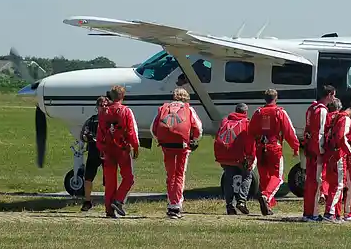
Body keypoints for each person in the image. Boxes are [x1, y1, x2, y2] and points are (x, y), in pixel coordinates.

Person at [150, 87, 203, 218]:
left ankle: (170, 202)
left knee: (170, 175)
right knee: (179, 175)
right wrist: (193, 140)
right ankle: (176, 205)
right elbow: (198, 128)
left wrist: (160, 141)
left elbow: (153, 129)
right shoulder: (188, 109)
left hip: (166, 146)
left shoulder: (164, 108)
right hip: (182, 147)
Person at [248, 88, 300, 216]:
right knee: (277, 177)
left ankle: (268, 205)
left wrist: (251, 149)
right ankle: (266, 197)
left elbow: (250, 131)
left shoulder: (258, 112)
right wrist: (295, 146)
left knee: (265, 177)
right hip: (274, 146)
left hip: (261, 147)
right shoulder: (279, 112)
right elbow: (289, 131)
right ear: (276, 98)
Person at [96, 85, 139, 218]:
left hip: (108, 149)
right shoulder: (125, 111)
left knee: (110, 181)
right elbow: (131, 131)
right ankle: (118, 200)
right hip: (122, 149)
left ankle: (109, 209)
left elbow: (100, 131)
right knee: (128, 178)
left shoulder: (103, 112)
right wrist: (135, 146)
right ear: (122, 96)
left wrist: (100, 148)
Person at [302, 85, 336, 221]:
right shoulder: (322, 110)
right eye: (333, 95)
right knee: (316, 182)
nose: (334, 98)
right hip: (316, 151)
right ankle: (313, 213)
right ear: (328, 95)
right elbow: (320, 132)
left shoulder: (312, 108)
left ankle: (307, 212)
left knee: (310, 181)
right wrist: (321, 152)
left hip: (310, 148)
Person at [214, 103, 256, 215]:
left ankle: (229, 205)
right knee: (247, 175)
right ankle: (241, 201)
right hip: (239, 156)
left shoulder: (225, 122)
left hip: (225, 155)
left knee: (228, 179)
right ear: (245, 112)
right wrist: (250, 157)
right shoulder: (247, 123)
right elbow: (250, 142)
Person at [322, 98, 351, 223]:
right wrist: (350, 152)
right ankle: (329, 213)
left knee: (332, 185)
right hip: (338, 155)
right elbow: (342, 138)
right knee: (339, 185)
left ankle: (335, 213)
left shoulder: (330, 117)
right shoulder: (344, 118)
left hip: (329, 154)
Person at [79, 96, 108, 212]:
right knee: (88, 178)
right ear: (97, 107)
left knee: (109, 179)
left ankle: (109, 201)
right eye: (101, 105)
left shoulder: (111, 120)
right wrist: (87, 136)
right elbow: (83, 135)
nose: (104, 107)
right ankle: (87, 201)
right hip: (93, 152)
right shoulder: (91, 120)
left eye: (106, 105)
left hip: (107, 152)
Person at [319, 97, 342, 206]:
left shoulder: (327, 116)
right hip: (337, 148)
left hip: (327, 147)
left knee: (324, 172)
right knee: (337, 174)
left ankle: (323, 192)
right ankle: (333, 195)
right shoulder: (342, 117)